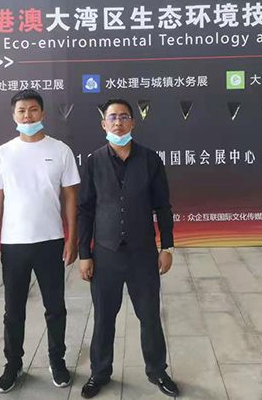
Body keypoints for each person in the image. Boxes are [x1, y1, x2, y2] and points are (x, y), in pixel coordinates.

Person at [77, 98, 180, 398]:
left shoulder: (150, 160)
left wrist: (167, 246)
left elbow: (163, 206)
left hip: (142, 254)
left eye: (124, 117)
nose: (118, 122)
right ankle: (99, 372)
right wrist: (85, 253)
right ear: (103, 124)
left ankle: (157, 370)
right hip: (105, 254)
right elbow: (85, 210)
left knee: (149, 316)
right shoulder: (94, 162)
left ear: (133, 122)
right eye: (113, 117)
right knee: (103, 318)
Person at [0, 89, 80, 393]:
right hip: (14, 244)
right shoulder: (2, 153)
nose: (28, 116)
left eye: (33, 109)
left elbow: (70, 197)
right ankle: (13, 365)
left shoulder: (60, 150)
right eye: (22, 111)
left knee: (55, 307)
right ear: (14, 115)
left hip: (51, 240)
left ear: (43, 113)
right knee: (13, 310)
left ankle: (57, 361)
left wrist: (72, 238)